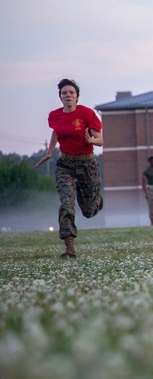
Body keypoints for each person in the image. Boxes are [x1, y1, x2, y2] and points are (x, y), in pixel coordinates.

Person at [33, 78, 104, 259]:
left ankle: (96, 200)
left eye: (71, 92)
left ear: (77, 96)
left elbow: (101, 140)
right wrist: (49, 152)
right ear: (60, 97)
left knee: (88, 211)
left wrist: (91, 140)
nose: (68, 95)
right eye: (64, 93)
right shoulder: (55, 115)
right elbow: (56, 131)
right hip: (65, 165)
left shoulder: (87, 114)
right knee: (66, 204)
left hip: (87, 164)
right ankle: (69, 249)